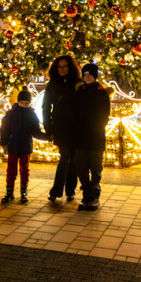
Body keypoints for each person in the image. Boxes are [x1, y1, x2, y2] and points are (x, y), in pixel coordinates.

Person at [43, 54, 82, 203]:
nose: (62, 69)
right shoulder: (52, 85)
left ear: (70, 68)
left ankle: (70, 191)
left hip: (75, 127)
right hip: (60, 127)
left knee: (73, 159)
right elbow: (46, 107)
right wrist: (48, 127)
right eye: (59, 66)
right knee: (66, 157)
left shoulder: (78, 83)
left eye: (65, 66)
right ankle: (57, 191)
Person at [73, 63, 111, 211]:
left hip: (95, 136)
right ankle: (86, 196)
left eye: (89, 74)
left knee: (95, 168)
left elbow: (105, 114)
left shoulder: (102, 93)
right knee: (81, 168)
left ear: (95, 76)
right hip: (80, 136)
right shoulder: (79, 91)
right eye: (84, 74)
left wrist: (98, 126)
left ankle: (94, 196)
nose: (87, 76)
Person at [0, 88, 44, 203]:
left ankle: (24, 192)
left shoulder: (32, 115)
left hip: (25, 146)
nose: (24, 105)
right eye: (22, 103)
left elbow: (36, 131)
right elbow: (4, 129)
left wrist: (47, 136)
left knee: (25, 170)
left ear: (30, 103)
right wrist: (4, 143)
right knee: (11, 170)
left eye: (27, 103)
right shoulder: (11, 114)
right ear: (18, 102)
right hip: (13, 146)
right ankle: (9, 192)